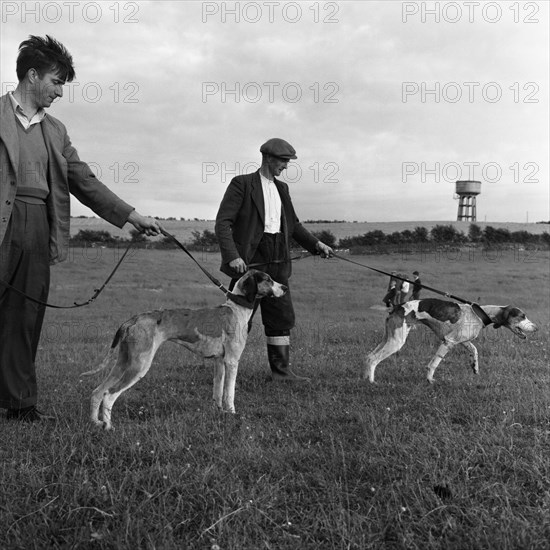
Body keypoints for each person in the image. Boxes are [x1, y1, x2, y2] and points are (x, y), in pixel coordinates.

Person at [0, 35, 162, 422]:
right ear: (32, 75)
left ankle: (20, 404)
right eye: (56, 82)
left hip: (37, 225)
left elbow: (84, 181)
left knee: (25, 319)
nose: (59, 92)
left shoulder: (55, 131)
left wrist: (130, 215)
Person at [215, 138, 334, 381]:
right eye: (283, 160)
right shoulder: (242, 184)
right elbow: (223, 223)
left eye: (287, 162)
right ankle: (226, 372)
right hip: (249, 263)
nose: (286, 166)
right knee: (238, 320)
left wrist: (316, 244)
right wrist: (233, 256)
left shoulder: (283, 189)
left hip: (278, 257)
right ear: (268, 158)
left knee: (281, 317)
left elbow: (294, 225)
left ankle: (281, 373)